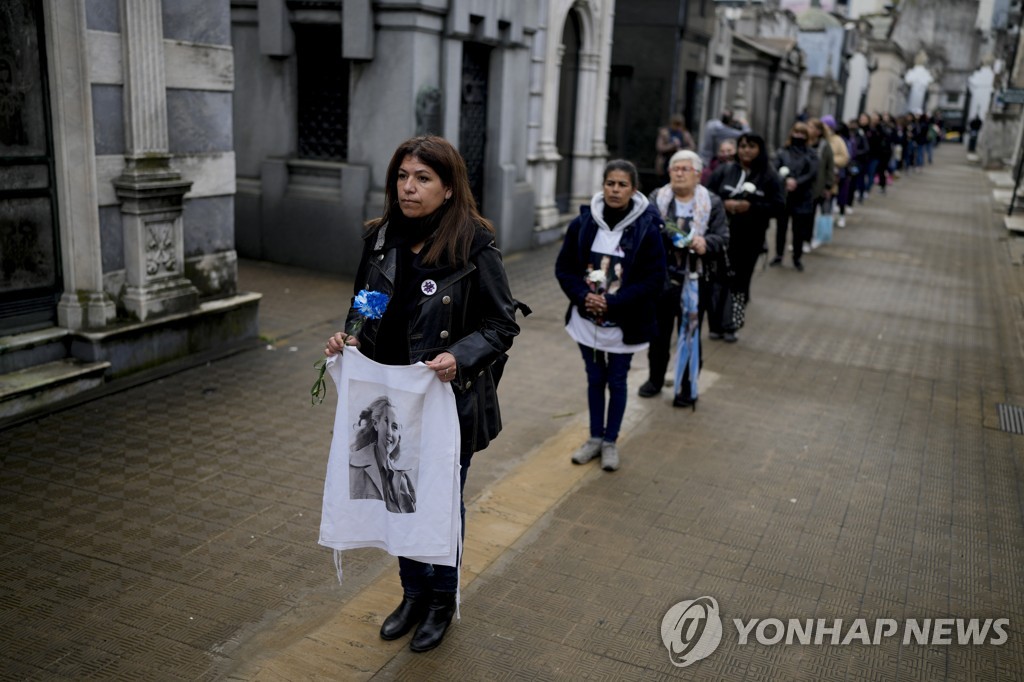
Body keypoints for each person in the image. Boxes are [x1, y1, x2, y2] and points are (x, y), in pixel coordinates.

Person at [324, 135, 522, 653]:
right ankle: (411, 595)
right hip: (386, 400)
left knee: (438, 504)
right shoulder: (382, 236)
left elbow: (501, 324)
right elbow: (365, 301)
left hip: (444, 403)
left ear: (450, 188)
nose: (408, 188)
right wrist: (348, 335)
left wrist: (461, 356)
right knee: (397, 498)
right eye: (402, 177)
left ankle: (440, 602)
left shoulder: (474, 243)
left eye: (423, 179)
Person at [555, 159, 666, 471]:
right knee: (594, 378)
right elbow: (564, 268)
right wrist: (583, 296)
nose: (615, 190)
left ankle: (610, 442)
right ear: (602, 185)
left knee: (617, 380)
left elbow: (654, 279)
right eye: (610, 183)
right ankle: (593, 438)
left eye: (622, 185)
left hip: (624, 322)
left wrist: (613, 303)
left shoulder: (647, 228)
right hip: (586, 319)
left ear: (633, 189)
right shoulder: (584, 223)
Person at [641, 150, 727, 408]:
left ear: (698, 174)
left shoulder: (711, 202)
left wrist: (705, 242)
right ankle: (655, 379)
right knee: (658, 334)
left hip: (696, 279)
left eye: (685, 169)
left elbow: (723, 238)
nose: (679, 173)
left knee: (689, 332)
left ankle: (686, 386)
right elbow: (645, 228)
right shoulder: (657, 198)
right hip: (661, 278)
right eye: (674, 168)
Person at [705, 132, 784, 340]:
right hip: (722, 238)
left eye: (751, 147)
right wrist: (724, 204)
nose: (746, 151)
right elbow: (706, 196)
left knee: (740, 283)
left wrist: (751, 206)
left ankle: (733, 325)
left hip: (751, 238)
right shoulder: (724, 171)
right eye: (742, 146)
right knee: (717, 280)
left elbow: (779, 206)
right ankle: (715, 324)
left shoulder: (769, 176)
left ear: (760, 150)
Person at [349, 395, 416, 513]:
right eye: (386, 422)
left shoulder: (404, 479)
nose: (390, 432)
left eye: (395, 427)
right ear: (375, 424)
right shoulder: (352, 465)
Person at [769, 122, 818, 272]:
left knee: (798, 230)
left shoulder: (811, 154)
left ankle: (797, 257)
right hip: (784, 196)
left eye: (802, 133)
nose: (799, 136)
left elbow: (812, 173)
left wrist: (797, 182)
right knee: (781, 227)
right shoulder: (783, 152)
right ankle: (778, 254)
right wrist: (785, 180)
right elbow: (774, 168)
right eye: (796, 133)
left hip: (802, 196)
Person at [807, 117, 835, 251]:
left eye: (812, 127)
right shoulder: (803, 143)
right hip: (803, 185)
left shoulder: (824, 146)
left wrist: (828, 185)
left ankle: (808, 239)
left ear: (818, 131)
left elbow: (830, 166)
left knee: (811, 214)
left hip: (817, 186)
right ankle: (799, 240)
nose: (808, 129)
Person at [654, 114, 696, 187]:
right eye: (675, 124)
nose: (677, 127)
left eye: (679, 124)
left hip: (680, 161)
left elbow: (692, 147)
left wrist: (681, 150)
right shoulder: (665, 133)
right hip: (666, 162)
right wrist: (672, 146)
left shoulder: (685, 134)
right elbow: (660, 147)